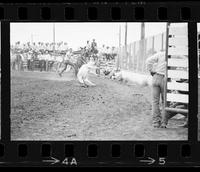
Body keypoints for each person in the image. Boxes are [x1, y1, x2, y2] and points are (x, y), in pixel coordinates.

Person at [145, 50, 166, 128]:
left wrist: (151, 71)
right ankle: (164, 122)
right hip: (166, 79)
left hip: (156, 77)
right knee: (165, 102)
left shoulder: (161, 54)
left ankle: (156, 122)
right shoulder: (173, 55)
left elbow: (148, 61)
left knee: (155, 101)